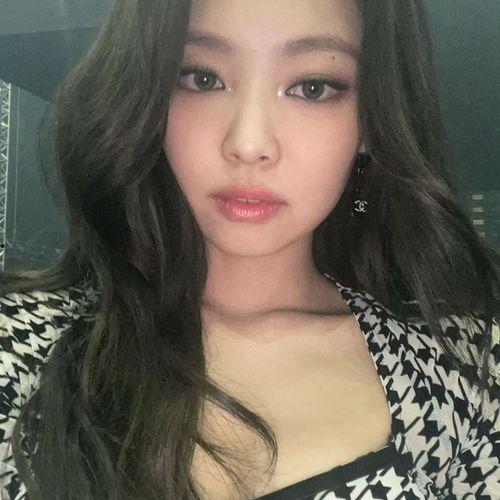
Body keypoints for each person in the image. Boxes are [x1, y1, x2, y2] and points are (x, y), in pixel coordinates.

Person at [0, 0, 499, 498]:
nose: (248, 142)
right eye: (202, 78)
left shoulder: (462, 370)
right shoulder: (22, 346)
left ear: (372, 119)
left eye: (312, 87)